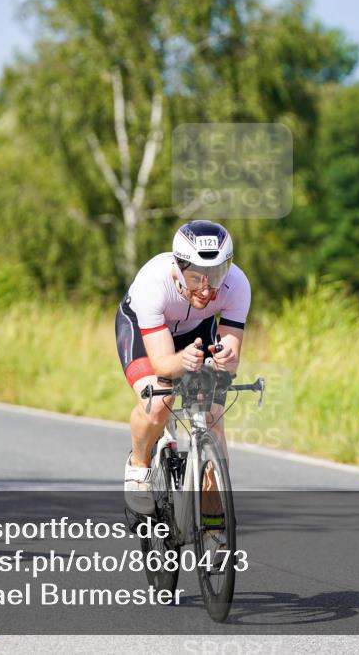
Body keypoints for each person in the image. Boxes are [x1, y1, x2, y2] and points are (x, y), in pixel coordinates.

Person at [115, 220, 250, 515]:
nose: (206, 289)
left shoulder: (237, 285)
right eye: (196, 277)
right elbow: (163, 365)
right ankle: (138, 465)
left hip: (196, 330)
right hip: (143, 328)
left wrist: (226, 360)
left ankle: (212, 519)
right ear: (178, 266)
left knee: (212, 415)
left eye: (216, 275)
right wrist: (182, 361)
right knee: (159, 401)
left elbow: (231, 351)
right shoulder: (153, 282)